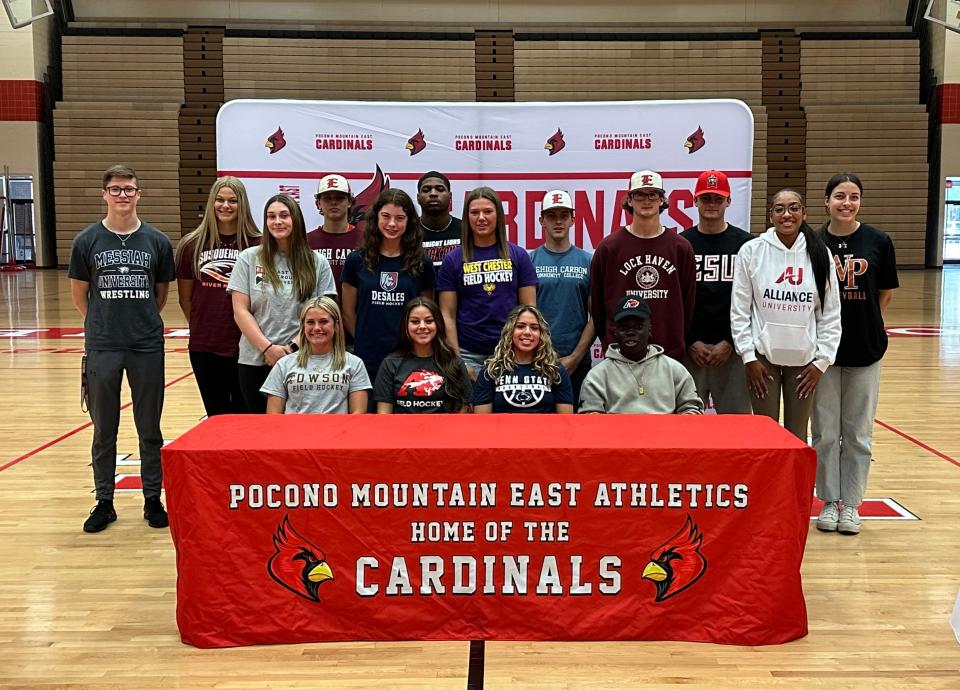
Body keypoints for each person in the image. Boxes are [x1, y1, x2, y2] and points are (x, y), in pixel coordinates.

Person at [68, 164, 175, 533]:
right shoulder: (87, 241)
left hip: (146, 344)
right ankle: (104, 501)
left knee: (149, 428)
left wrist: (137, 319)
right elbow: (80, 296)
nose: (123, 195)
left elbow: (160, 295)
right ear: (104, 194)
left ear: (138, 194)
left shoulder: (157, 241)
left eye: (129, 189)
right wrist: (105, 323)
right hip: (103, 345)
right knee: (104, 430)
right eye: (115, 189)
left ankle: (151, 499)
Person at [812, 173, 899, 535]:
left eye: (853, 197)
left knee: (858, 432)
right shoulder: (813, 241)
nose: (846, 203)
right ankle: (829, 501)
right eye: (839, 196)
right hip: (823, 354)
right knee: (826, 433)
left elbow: (885, 294)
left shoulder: (878, 240)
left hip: (865, 349)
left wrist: (866, 323)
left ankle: (852, 504)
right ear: (827, 200)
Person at [730, 188, 842, 441]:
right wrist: (748, 357)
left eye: (793, 208)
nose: (786, 214)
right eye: (779, 209)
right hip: (763, 358)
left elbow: (830, 313)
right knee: (764, 435)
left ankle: (797, 483)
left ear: (804, 213)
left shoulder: (820, 253)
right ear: (771, 216)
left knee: (797, 435)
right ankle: (766, 483)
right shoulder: (752, 251)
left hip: (804, 359)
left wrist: (821, 362)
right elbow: (739, 310)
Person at [228, 194, 337, 413]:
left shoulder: (317, 262)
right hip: (255, 360)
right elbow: (240, 311)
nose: (277, 221)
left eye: (284, 215)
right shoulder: (249, 258)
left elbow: (325, 315)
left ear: (296, 219)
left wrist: (291, 348)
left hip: (303, 360)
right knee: (262, 431)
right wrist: (268, 348)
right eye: (271, 216)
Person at [176, 176, 261, 416]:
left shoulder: (259, 244)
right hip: (206, 345)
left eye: (233, 201)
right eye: (220, 200)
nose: (226, 206)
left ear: (242, 204)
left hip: (247, 346)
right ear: (211, 202)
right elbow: (186, 298)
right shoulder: (191, 245)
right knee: (217, 416)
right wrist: (206, 326)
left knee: (247, 417)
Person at [590, 169, 696, 362]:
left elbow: (688, 304)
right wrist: (610, 341)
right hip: (621, 356)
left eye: (652, 194)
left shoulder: (680, 247)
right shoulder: (609, 248)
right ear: (629, 200)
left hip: (668, 356)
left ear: (662, 200)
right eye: (639, 195)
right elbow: (597, 306)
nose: (646, 201)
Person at [341, 189, 436, 399]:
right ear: (376, 218)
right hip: (368, 358)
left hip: (409, 357)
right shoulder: (357, 260)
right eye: (386, 217)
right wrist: (365, 340)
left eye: (399, 218)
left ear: (409, 222)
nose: (392, 224)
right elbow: (347, 311)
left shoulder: (422, 263)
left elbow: (427, 314)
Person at [438, 187, 538, 379]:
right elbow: (447, 314)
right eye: (474, 212)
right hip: (468, 353)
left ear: (499, 216)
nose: (481, 218)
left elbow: (529, 310)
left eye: (488, 212)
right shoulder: (453, 259)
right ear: (467, 218)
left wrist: (522, 353)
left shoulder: (518, 255)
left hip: (511, 352)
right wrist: (457, 361)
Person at [679, 170, 754, 413]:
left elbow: (753, 301)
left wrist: (731, 342)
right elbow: (674, 301)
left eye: (718, 199)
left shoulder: (747, 245)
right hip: (691, 352)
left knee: (736, 429)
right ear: (695, 200)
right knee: (684, 430)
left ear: (729, 201)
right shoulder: (681, 244)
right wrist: (690, 340)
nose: (711, 204)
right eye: (706, 198)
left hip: (731, 352)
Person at [579, 296, 703, 414]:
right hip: (616, 435)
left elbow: (692, 410)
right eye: (623, 327)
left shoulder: (674, 369)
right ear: (615, 332)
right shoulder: (597, 376)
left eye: (638, 327)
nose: (630, 332)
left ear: (649, 330)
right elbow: (590, 419)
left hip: (665, 435)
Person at [529, 190, 595, 408]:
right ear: (541, 221)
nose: (558, 221)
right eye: (551, 216)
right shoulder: (529, 261)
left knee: (575, 429)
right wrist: (538, 355)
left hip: (576, 362)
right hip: (535, 360)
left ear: (573, 220)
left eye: (564, 215)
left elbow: (596, 317)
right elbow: (523, 317)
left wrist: (575, 358)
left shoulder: (588, 261)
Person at [261, 297, 370, 413]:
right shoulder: (283, 365)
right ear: (303, 326)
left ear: (336, 325)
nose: (317, 328)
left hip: (338, 431)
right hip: (295, 431)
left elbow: (358, 416)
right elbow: (273, 416)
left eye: (324, 321)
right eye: (310, 322)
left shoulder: (355, 364)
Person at [374, 297, 473, 413]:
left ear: (438, 324)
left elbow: (463, 412)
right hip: (401, 430)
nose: (422, 326)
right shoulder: (390, 363)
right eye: (415, 321)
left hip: (445, 430)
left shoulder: (455, 362)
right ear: (405, 325)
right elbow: (383, 415)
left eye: (429, 321)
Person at [473, 305, 573, 414]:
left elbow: (565, 420)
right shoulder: (491, 370)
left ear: (541, 334)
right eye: (520, 326)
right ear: (510, 331)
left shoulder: (555, 370)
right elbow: (482, 422)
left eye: (534, 328)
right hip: (504, 430)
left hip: (544, 431)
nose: (527, 332)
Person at [307, 173, 360, 303]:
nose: (333, 202)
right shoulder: (306, 241)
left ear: (349, 202)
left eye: (339, 198)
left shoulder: (366, 239)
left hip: (356, 316)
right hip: (318, 318)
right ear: (318, 203)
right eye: (327, 198)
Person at [417, 171, 462, 268]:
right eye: (426, 190)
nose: (433, 194)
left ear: (450, 196)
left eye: (440, 189)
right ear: (418, 198)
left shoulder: (466, 230)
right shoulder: (408, 231)